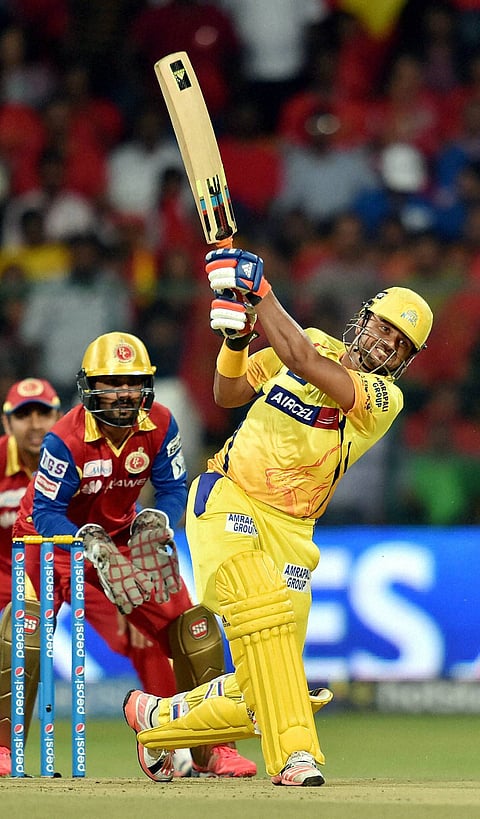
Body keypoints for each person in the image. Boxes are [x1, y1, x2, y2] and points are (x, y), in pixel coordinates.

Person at [123, 247, 433, 787]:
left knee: (265, 686)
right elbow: (228, 392)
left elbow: (305, 365)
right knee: (260, 608)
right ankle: (297, 756)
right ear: (363, 319)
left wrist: (260, 294)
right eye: (382, 328)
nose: (384, 344)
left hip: (293, 532)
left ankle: (155, 718)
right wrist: (236, 343)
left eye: (398, 344)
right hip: (229, 497)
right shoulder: (310, 338)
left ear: (404, 361)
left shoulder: (383, 398)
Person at [7, 331, 255, 780]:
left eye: (132, 382)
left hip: (123, 538)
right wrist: (87, 541)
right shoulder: (64, 438)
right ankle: (4, 751)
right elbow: (45, 512)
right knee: (21, 639)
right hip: (50, 545)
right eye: (111, 382)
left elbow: (175, 487)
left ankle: (213, 748)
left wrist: (160, 521)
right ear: (90, 386)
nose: (122, 393)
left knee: (194, 630)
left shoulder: (161, 422)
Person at [0, 377, 61, 776]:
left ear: (58, 416)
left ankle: (188, 746)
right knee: (19, 632)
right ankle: (5, 749)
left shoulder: (72, 457)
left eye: (43, 414)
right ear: (8, 423)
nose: (35, 424)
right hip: (7, 577)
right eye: (24, 415)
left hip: (64, 574)